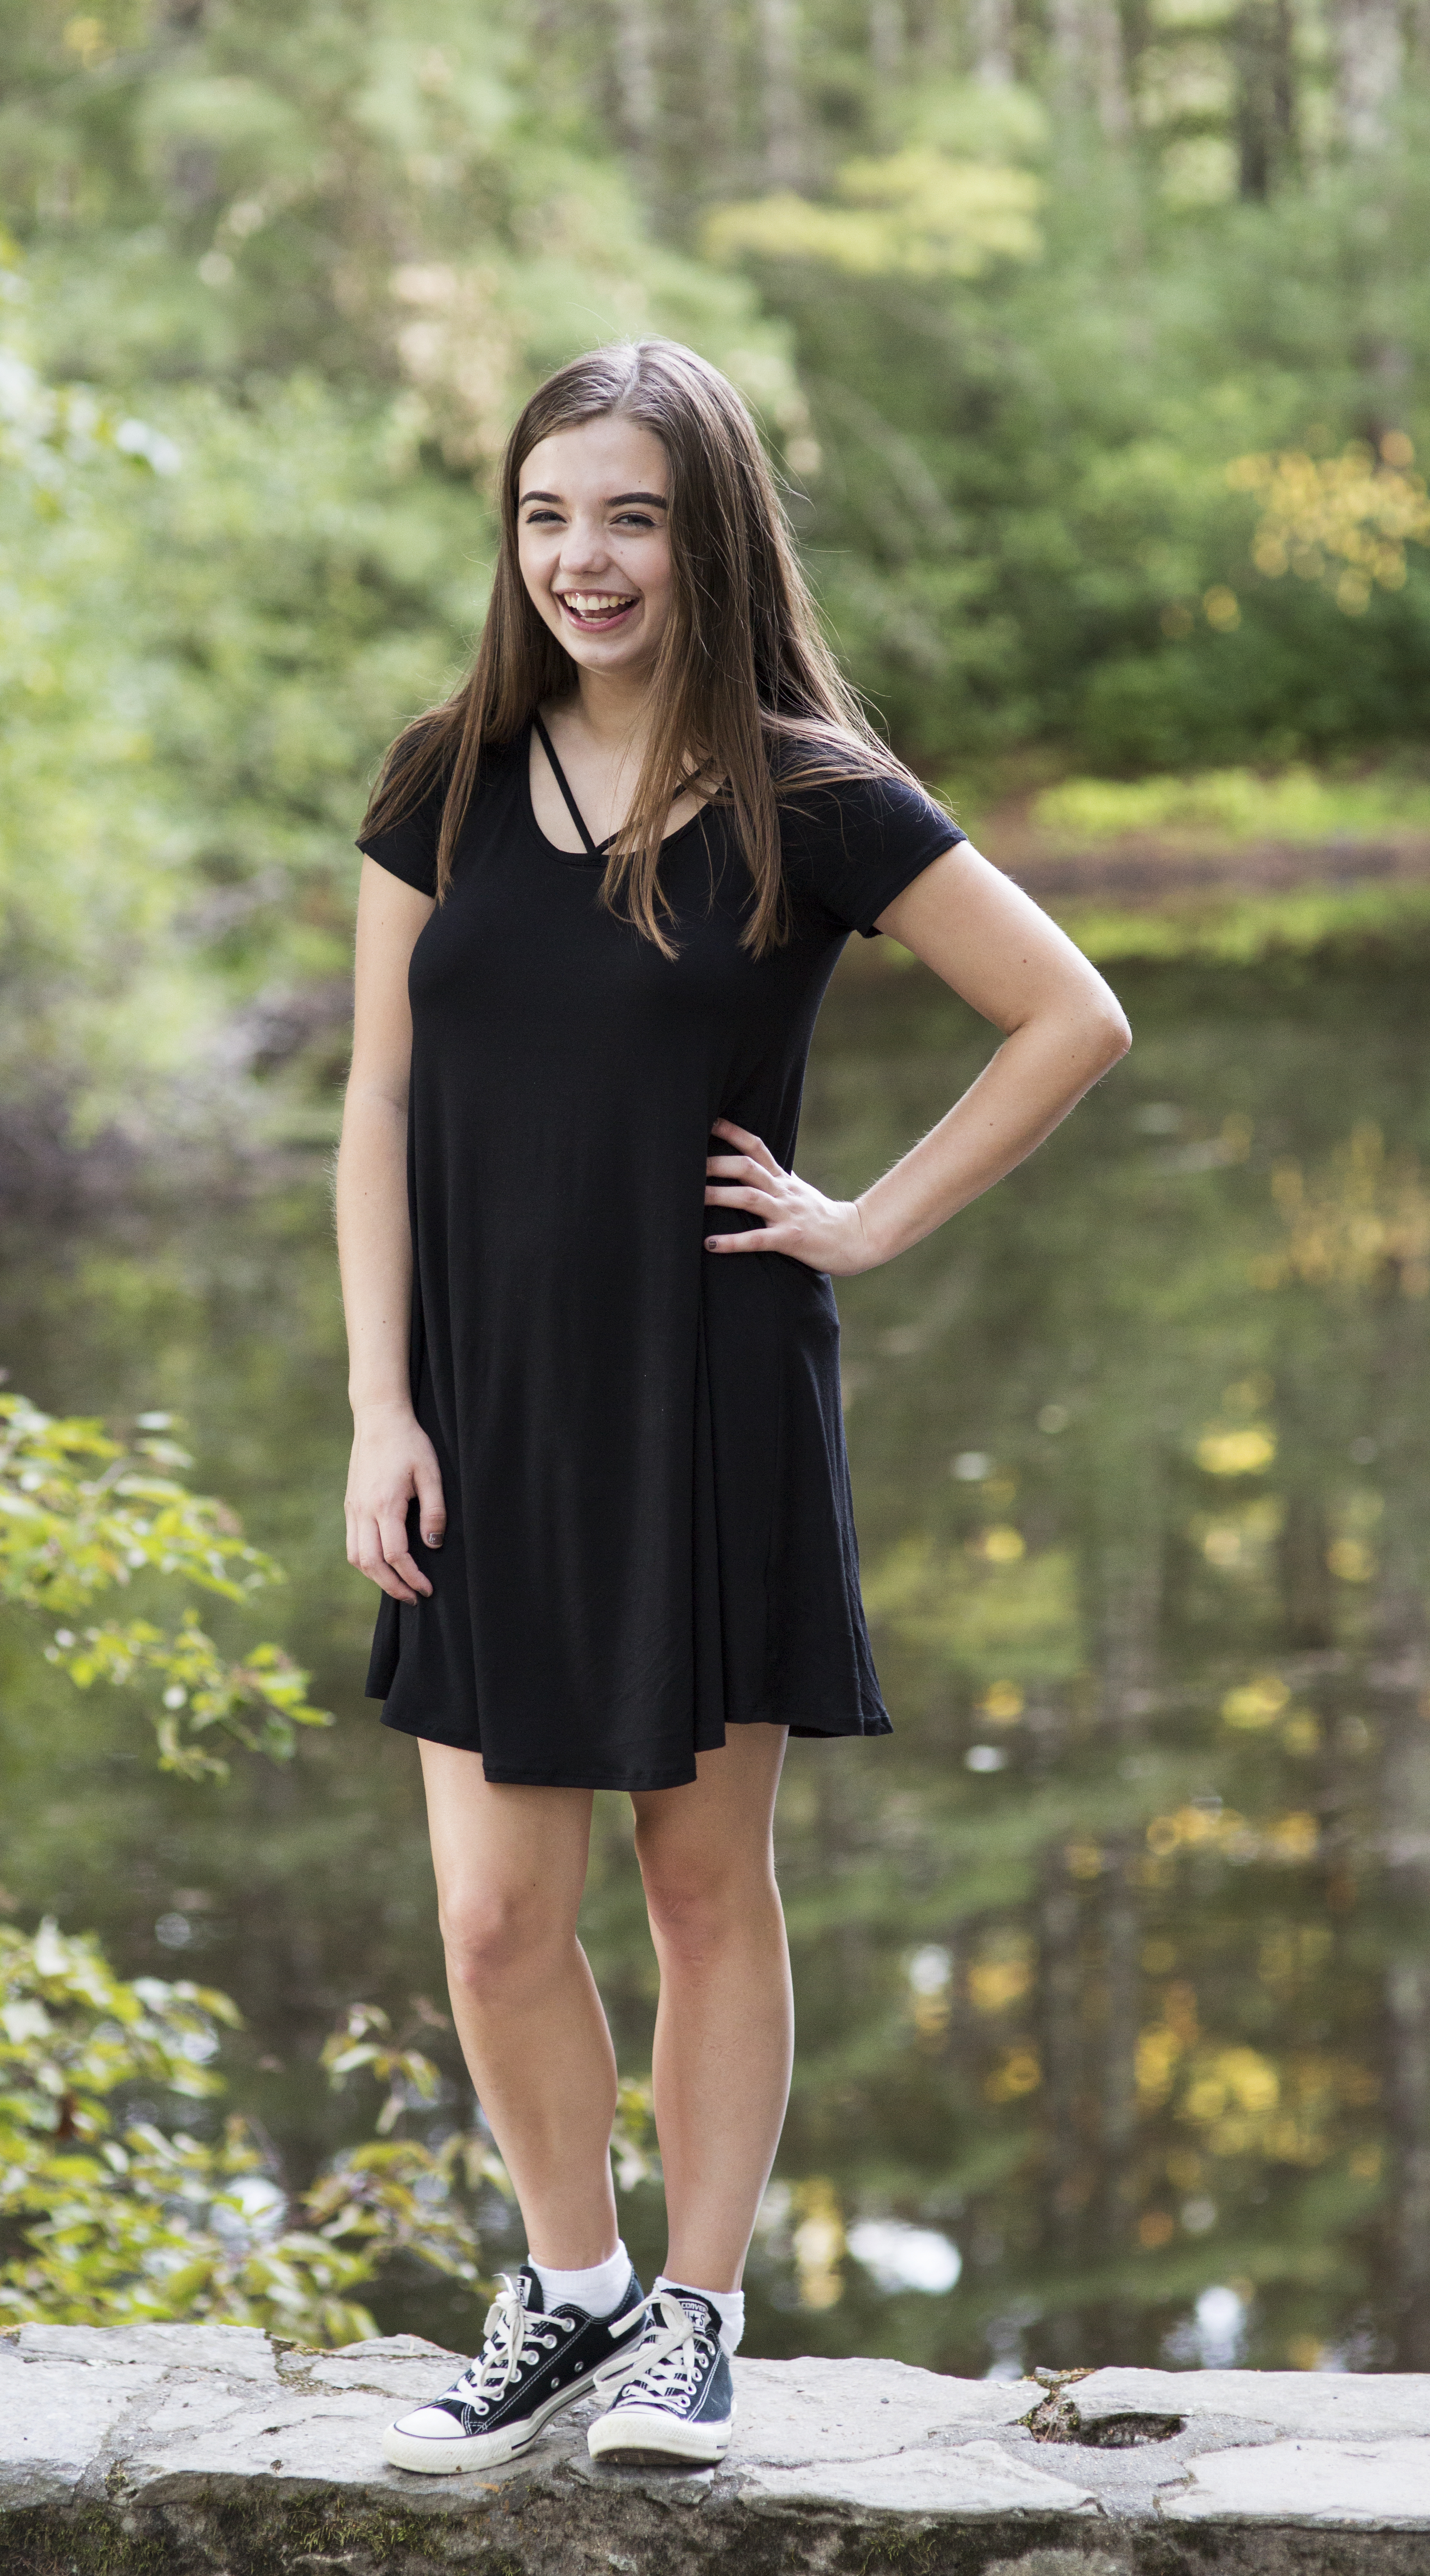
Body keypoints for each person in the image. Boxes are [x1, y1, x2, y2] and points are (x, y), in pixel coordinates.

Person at [335, 338, 1130, 2474]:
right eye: (545, 515)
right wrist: (376, 1407)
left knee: (702, 1889)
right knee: (496, 1916)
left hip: (709, 1392)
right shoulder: (447, 776)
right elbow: (381, 1104)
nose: (582, 559)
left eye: (631, 515)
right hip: (483, 1414)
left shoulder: (816, 792)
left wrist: (866, 1223)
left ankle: (697, 2317)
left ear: (709, 533)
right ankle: (571, 2295)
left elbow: (1072, 1013)